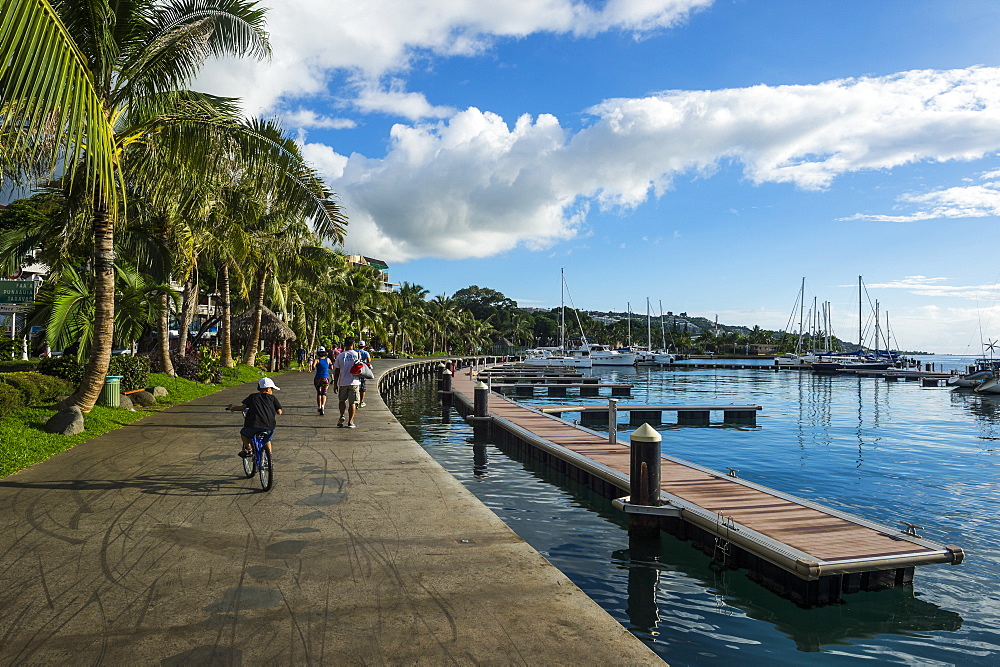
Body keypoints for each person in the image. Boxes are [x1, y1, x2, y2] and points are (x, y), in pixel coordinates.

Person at [226, 377, 283, 458]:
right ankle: (268, 459)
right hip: (270, 427)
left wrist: (232, 408)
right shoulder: (273, 398)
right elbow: (279, 412)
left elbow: (242, 408)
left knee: (244, 434)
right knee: (267, 440)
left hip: (253, 425)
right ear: (268, 389)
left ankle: (249, 449)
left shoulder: (252, 396)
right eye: (272, 389)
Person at [333, 338, 361, 428]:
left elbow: (336, 371)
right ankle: (350, 422)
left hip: (343, 382)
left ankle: (342, 415)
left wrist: (335, 384)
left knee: (342, 400)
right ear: (353, 344)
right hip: (354, 382)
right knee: (352, 403)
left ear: (344, 345)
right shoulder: (357, 355)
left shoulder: (340, 356)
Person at [311, 346, 333, 415]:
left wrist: (314, 367)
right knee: (324, 393)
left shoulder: (317, 360)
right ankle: (323, 406)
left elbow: (313, 366)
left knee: (319, 393)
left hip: (317, 378)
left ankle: (319, 406)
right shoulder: (328, 359)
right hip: (325, 378)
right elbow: (331, 366)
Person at [357, 340, 373, 408]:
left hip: (356, 369)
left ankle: (356, 401)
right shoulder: (366, 353)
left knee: (356, 385)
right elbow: (369, 360)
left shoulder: (355, 351)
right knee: (362, 387)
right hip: (363, 370)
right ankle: (361, 402)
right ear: (364, 346)